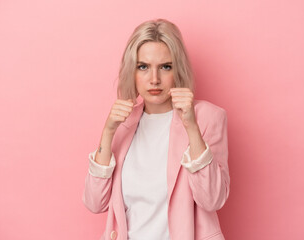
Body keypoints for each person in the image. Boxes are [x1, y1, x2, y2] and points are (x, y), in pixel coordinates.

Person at [82, 19, 230, 240]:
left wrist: (191, 126)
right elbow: (95, 203)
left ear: (178, 69)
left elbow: (212, 199)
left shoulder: (207, 117)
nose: (154, 79)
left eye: (165, 67)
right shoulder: (123, 124)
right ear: (132, 72)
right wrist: (108, 133)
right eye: (143, 67)